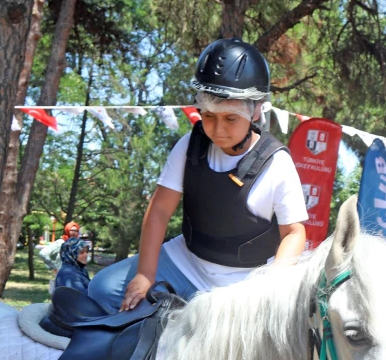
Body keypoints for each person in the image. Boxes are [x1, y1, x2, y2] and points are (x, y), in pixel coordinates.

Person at [88, 38, 308, 313]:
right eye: (209, 116)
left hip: (241, 284)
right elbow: (158, 211)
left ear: (255, 110)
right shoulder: (189, 146)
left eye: (230, 118)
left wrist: (272, 286)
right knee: (103, 289)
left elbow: (294, 232)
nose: (218, 129)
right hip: (185, 262)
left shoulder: (277, 164)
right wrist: (145, 274)